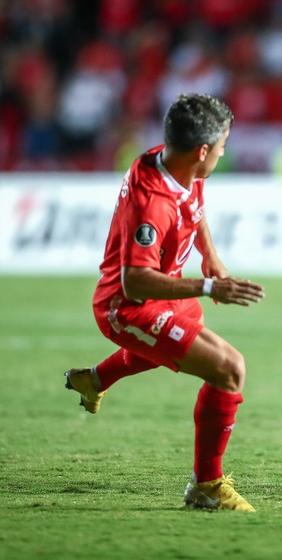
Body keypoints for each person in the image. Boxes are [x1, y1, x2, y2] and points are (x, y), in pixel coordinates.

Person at [64, 93, 265, 512]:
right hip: (129, 307)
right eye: (223, 146)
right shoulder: (151, 202)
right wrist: (209, 288)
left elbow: (193, 199)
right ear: (203, 151)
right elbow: (135, 281)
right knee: (229, 369)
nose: (224, 153)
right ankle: (206, 484)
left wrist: (210, 257)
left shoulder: (171, 160)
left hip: (165, 293)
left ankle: (95, 379)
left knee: (182, 342)